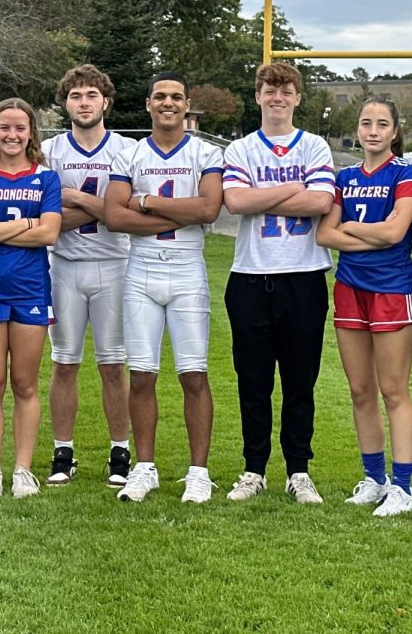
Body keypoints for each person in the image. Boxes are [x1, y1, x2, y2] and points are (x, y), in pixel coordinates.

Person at [103, 72, 223, 503]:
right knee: (141, 376)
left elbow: (209, 209)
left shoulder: (205, 152)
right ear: (148, 104)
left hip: (187, 270)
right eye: (160, 96)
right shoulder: (131, 154)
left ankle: (198, 471)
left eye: (176, 96)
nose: (168, 103)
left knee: (193, 374)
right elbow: (115, 217)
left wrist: (149, 202)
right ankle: (145, 467)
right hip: (142, 270)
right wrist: (182, 214)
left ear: (186, 104)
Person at [221, 62, 335, 505]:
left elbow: (321, 201)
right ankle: (253, 468)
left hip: (303, 276)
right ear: (258, 96)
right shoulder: (241, 148)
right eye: (270, 89)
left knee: (300, 381)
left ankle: (298, 470)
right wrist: (294, 189)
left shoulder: (316, 145)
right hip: (251, 275)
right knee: (253, 380)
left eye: (286, 90)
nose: (278, 97)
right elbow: (235, 200)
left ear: (298, 98)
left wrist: (265, 195)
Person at [316, 96, 412, 517]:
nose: (374, 130)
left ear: (395, 131)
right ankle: (374, 478)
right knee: (360, 390)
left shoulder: (407, 173)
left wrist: (352, 227)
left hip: (392, 290)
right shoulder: (344, 176)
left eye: (382, 123)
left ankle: (402, 486)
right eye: (366, 123)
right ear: (358, 129)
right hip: (350, 287)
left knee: (393, 389)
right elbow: (324, 236)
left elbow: (397, 233)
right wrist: (369, 233)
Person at [40, 65, 136, 488]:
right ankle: (64, 450)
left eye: (91, 95)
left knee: (113, 365)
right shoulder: (48, 151)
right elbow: (43, 216)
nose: (84, 102)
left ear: (106, 102)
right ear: (66, 103)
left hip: (115, 264)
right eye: (76, 95)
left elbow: (126, 216)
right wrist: (100, 207)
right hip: (63, 264)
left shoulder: (127, 150)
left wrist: (75, 198)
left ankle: (120, 449)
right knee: (64, 363)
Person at [0, 98, 62, 498]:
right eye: (5, 127)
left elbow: (49, 234)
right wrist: (26, 222)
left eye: (20, 128)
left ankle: (22, 469)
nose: (12, 135)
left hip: (31, 290)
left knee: (24, 383)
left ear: (31, 133)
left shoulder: (46, 179)